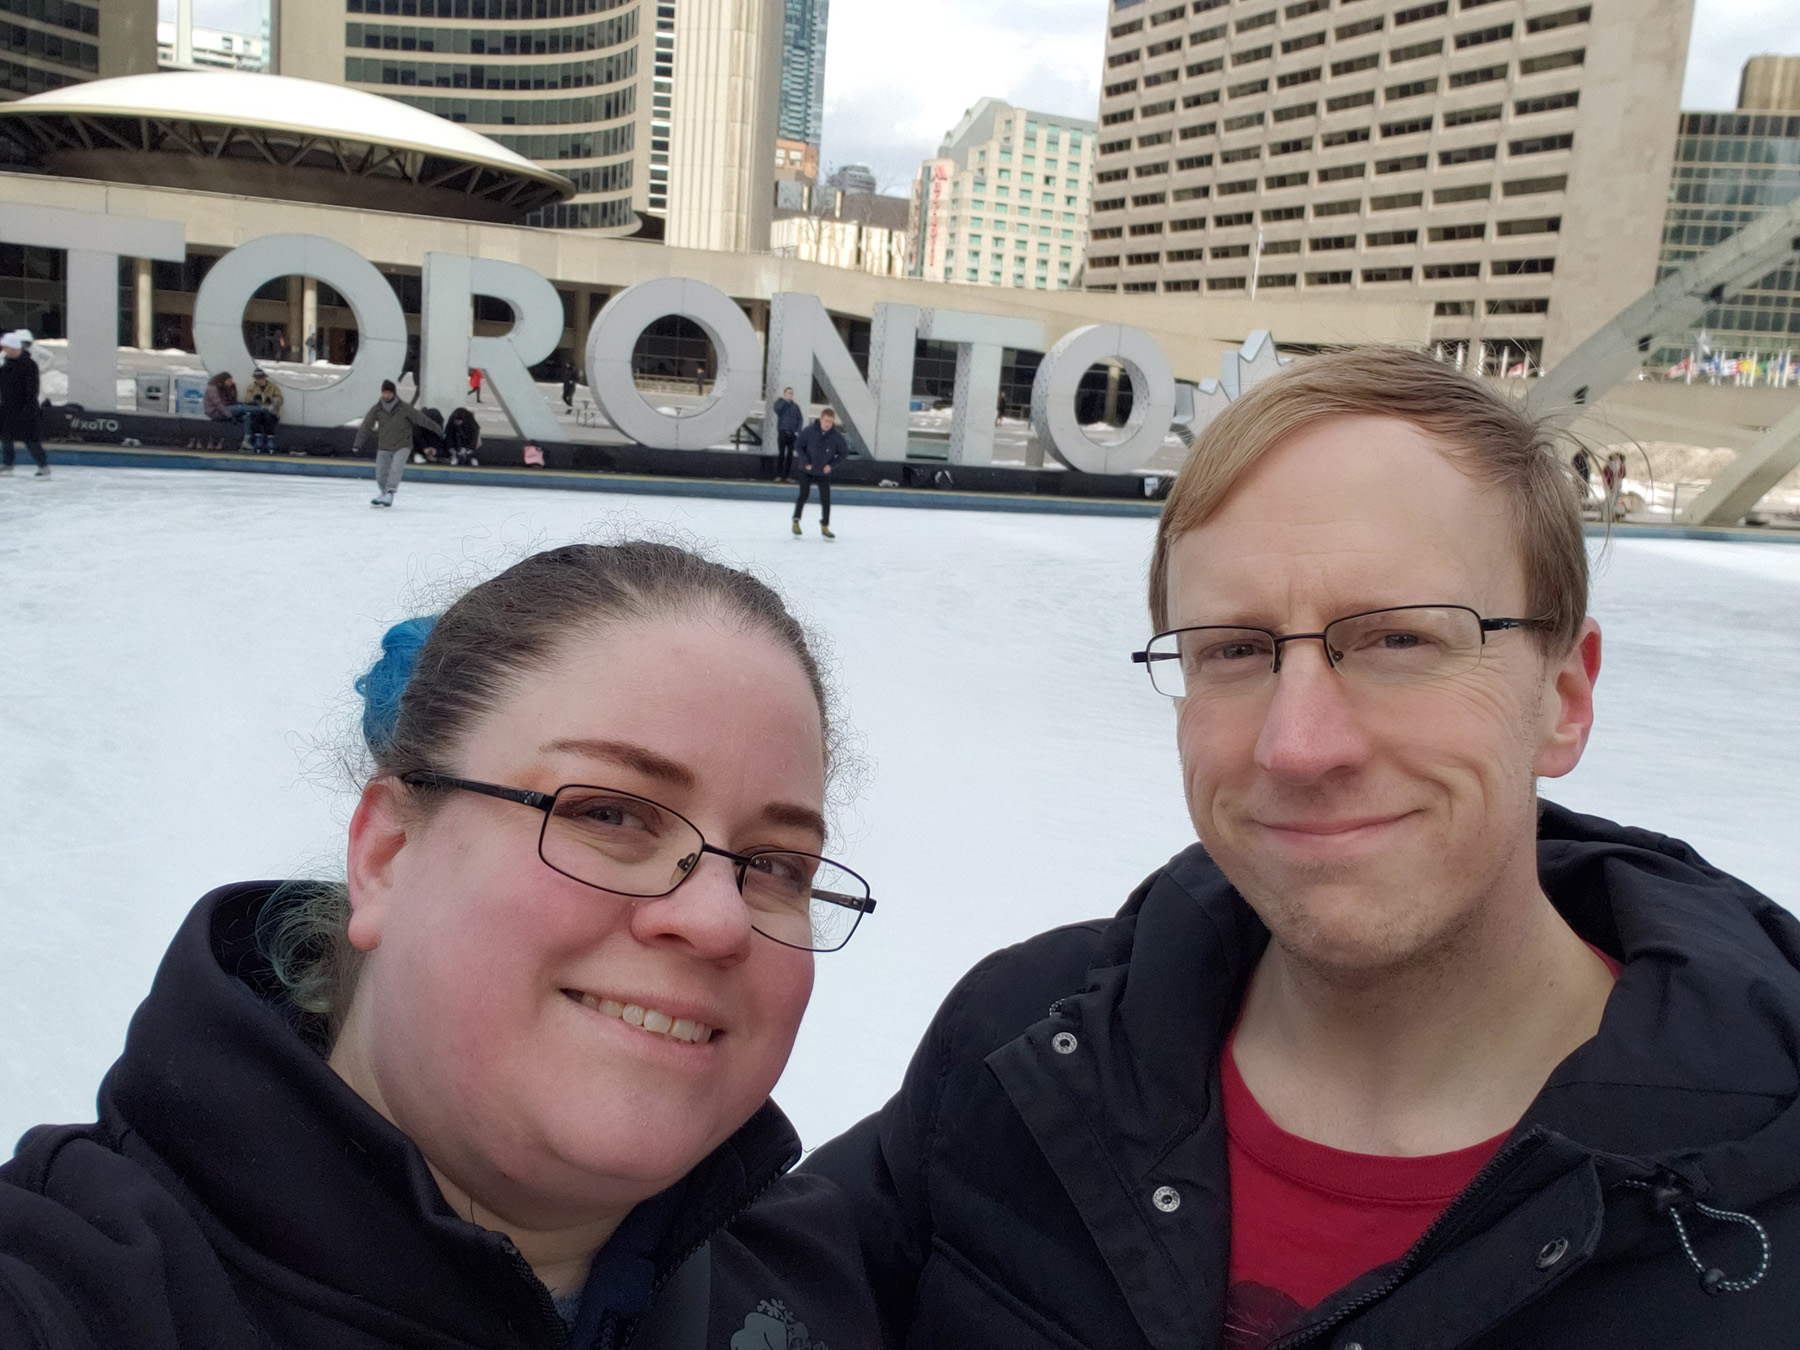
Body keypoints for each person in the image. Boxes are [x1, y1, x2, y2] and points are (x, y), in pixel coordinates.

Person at [807, 346, 1800, 1349]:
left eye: (1399, 640)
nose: (1299, 745)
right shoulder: (1019, 1050)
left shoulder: (1768, 1185)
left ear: (1565, 700)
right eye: (1234, 650)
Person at [0, 540, 884, 1350]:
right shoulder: (75, 1293)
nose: (718, 919)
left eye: (777, 866)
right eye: (609, 813)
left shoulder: (822, 1274)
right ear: (386, 856)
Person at [355, 379, 440, 508]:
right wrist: (358, 443)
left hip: (403, 444)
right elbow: (366, 426)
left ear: (394, 393)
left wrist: (436, 428)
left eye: (389, 393)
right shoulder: (377, 409)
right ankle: (384, 493)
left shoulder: (405, 408)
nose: (387, 395)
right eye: (385, 393)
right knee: (381, 473)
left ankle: (390, 492)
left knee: (396, 469)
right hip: (384, 445)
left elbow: (421, 419)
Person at [791, 407, 847, 540]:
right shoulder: (809, 431)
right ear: (821, 419)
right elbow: (798, 446)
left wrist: (831, 466)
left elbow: (844, 453)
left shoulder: (836, 437)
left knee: (826, 499)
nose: (828, 424)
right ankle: (796, 521)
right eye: (826, 421)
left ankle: (825, 526)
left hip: (823, 472)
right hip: (807, 470)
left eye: (831, 422)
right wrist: (805, 462)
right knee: (804, 495)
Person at [0, 330, 48, 477]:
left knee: (31, 439)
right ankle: (8, 464)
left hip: (25, 408)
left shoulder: (29, 365)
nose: (3, 350)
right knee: (6, 437)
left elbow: (32, 389)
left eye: (6, 347)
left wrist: (28, 409)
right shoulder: (6, 364)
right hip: (7, 407)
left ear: (14, 348)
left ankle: (43, 466)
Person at [245, 368, 284, 452]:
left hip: (270, 411)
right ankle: (258, 438)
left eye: (261, 378)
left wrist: (271, 399)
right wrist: (254, 400)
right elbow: (247, 400)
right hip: (257, 410)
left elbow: (280, 400)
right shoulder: (251, 388)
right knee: (255, 416)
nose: (260, 380)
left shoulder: (273, 387)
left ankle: (270, 439)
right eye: (258, 378)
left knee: (268, 417)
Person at [771, 386, 803, 482]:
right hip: (783, 432)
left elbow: (800, 419)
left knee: (790, 455)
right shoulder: (779, 403)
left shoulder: (795, 407)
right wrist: (784, 401)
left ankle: (787, 476)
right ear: (784, 394)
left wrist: (798, 430)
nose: (789, 394)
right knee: (781, 454)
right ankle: (779, 475)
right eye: (788, 393)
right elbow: (777, 410)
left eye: (791, 393)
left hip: (792, 434)